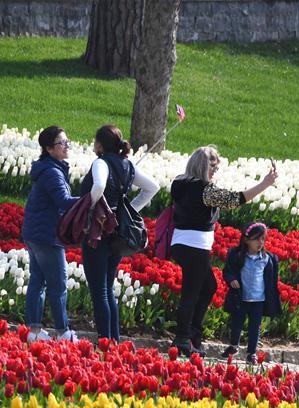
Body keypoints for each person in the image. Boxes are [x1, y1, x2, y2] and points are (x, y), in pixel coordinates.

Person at [169, 146, 277, 357]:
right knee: (192, 292)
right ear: (202, 166)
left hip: (181, 244)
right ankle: (183, 338)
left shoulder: (179, 183)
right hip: (195, 246)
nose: (215, 171)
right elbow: (236, 199)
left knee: (208, 286)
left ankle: (191, 333)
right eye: (213, 166)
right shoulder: (205, 190)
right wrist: (265, 184)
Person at [79, 125, 160, 342]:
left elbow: (98, 186)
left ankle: (105, 341)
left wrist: (90, 210)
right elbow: (153, 187)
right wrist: (129, 209)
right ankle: (114, 341)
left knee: (99, 292)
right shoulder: (127, 165)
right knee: (107, 289)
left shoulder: (101, 163)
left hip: (98, 233)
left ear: (99, 145)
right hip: (116, 235)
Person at [21, 126, 81, 343]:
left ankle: (34, 331)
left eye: (67, 142)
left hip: (35, 232)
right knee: (58, 284)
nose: (66, 146)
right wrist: (89, 199)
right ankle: (63, 331)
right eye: (61, 143)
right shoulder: (52, 172)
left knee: (38, 280)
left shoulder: (48, 169)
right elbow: (64, 201)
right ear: (48, 148)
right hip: (47, 236)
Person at [221, 222, 282, 364]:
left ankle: (251, 353)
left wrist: (272, 297)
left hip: (258, 300)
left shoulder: (267, 259)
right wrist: (232, 280)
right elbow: (228, 271)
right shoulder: (237, 255)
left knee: (255, 327)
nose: (260, 242)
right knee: (237, 324)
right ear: (246, 240)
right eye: (257, 239)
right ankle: (234, 346)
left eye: (263, 239)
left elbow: (271, 280)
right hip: (241, 297)